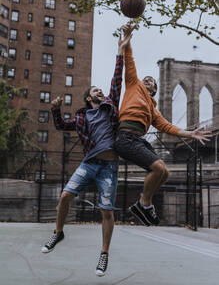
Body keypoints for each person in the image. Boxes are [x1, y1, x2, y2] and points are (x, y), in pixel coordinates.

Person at [41, 30, 133, 277]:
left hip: (109, 167)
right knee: (65, 197)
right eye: (95, 90)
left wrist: (120, 50)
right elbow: (61, 126)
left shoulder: (110, 106)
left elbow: (117, 79)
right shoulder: (82, 116)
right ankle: (58, 234)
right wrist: (55, 110)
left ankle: (104, 255)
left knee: (106, 211)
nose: (100, 91)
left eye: (101, 90)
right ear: (88, 97)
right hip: (89, 163)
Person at [114, 23, 211, 227]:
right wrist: (127, 41)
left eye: (150, 81)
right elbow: (130, 62)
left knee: (165, 172)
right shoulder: (133, 85)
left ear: (155, 90)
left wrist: (191, 134)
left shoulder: (153, 109)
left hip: (137, 140)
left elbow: (168, 127)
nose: (146, 80)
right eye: (145, 79)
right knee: (158, 168)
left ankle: (143, 204)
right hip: (125, 138)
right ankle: (144, 204)